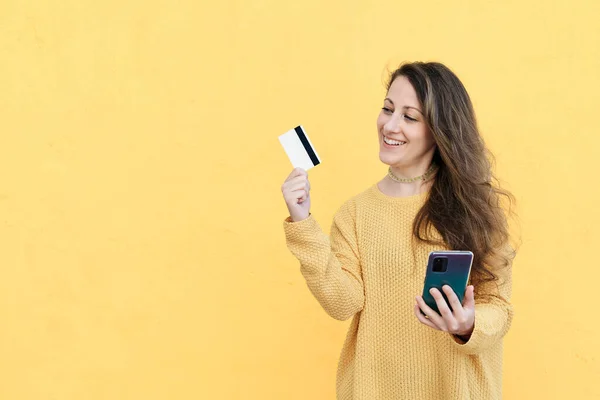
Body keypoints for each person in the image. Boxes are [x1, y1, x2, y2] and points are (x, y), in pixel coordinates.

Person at [280, 61, 516, 400]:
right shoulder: (356, 213)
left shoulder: (476, 209)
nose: (390, 125)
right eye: (387, 109)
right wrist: (303, 223)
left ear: (439, 130)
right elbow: (343, 303)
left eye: (409, 116)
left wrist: (467, 324)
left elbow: (500, 308)